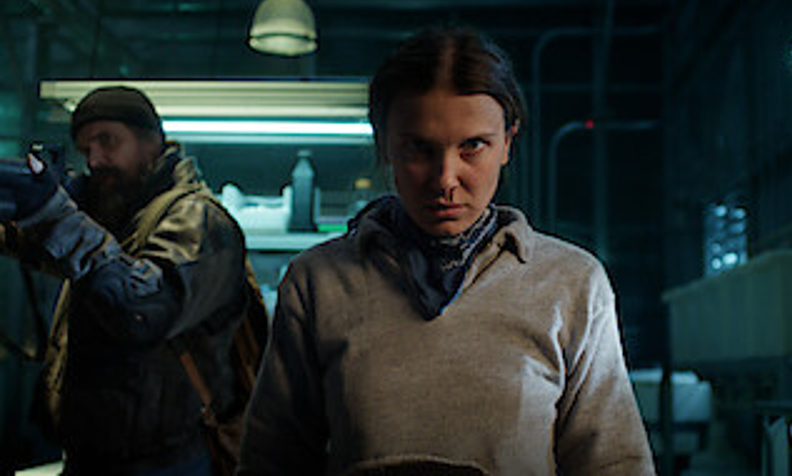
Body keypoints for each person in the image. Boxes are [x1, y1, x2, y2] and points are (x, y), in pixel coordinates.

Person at [238, 27, 655, 475]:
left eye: (473, 146)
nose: (445, 179)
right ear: (384, 144)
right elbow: (271, 463)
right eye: (419, 148)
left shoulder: (570, 284)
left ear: (508, 143)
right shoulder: (319, 282)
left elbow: (614, 465)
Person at [0, 86, 253, 475]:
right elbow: (51, 250)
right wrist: (27, 216)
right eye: (86, 149)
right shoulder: (116, 212)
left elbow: (145, 310)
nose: (95, 160)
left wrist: (58, 217)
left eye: (108, 141)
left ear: (152, 140)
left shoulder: (197, 220)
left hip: (166, 463)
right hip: (93, 454)